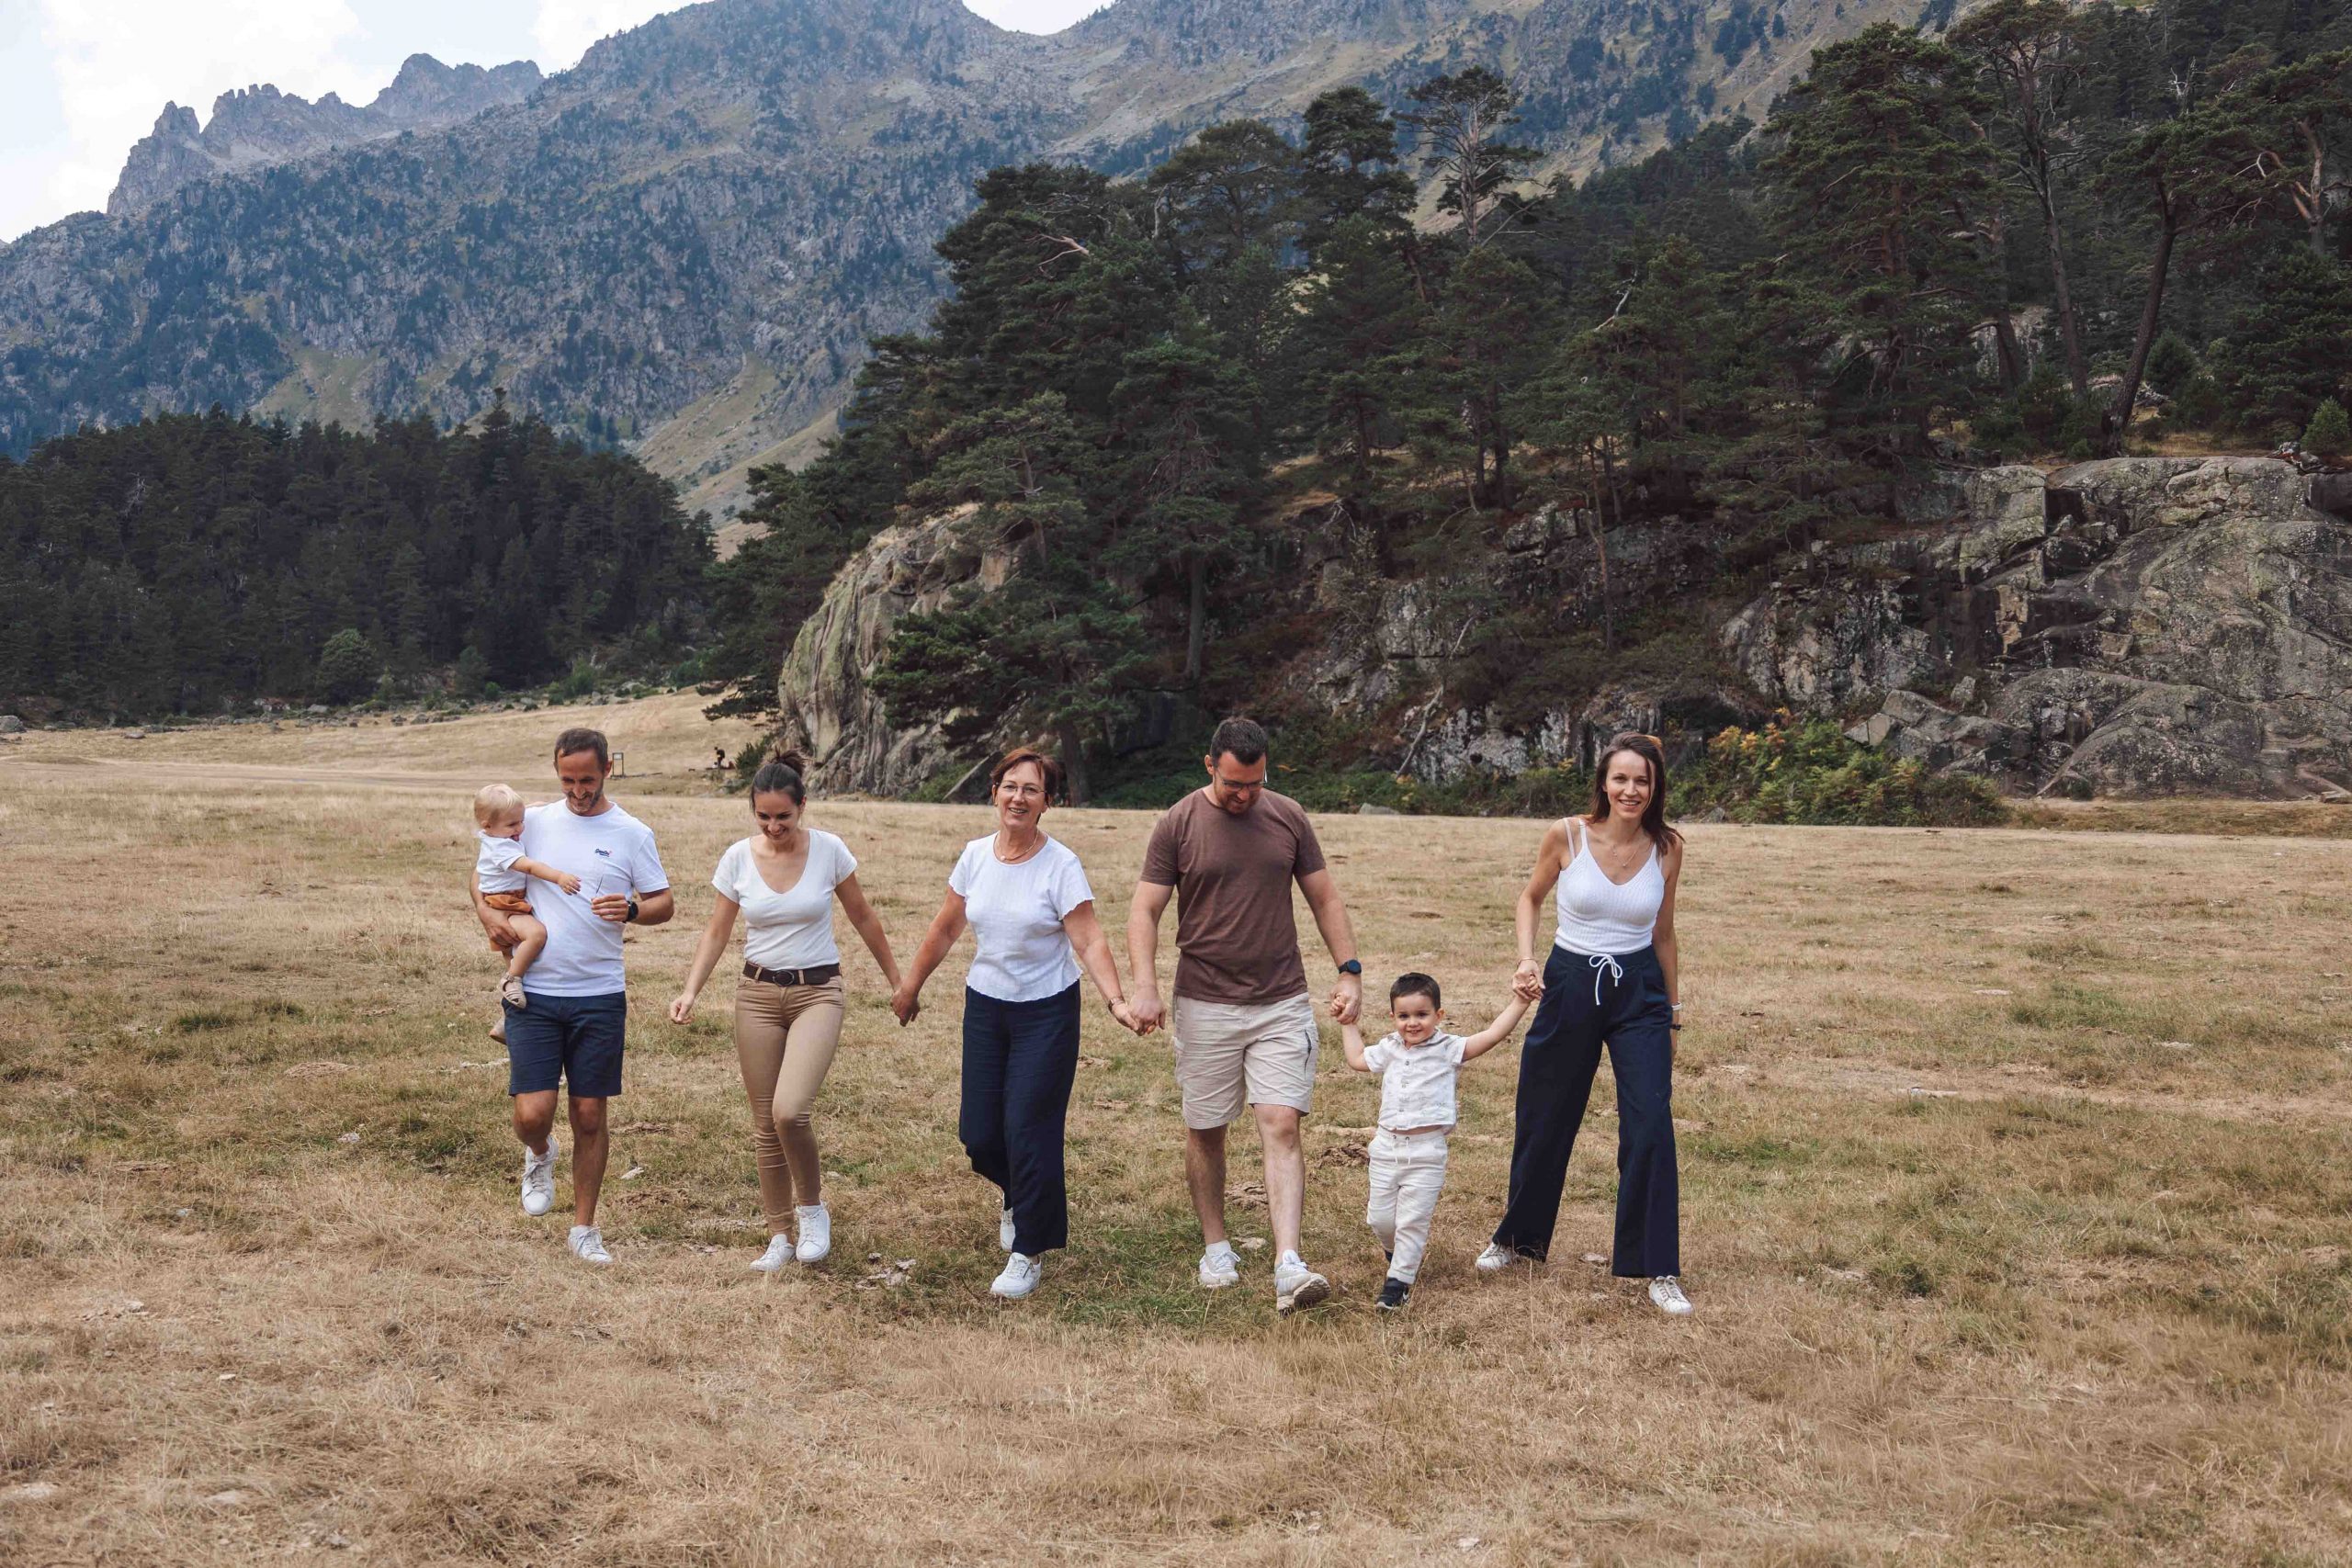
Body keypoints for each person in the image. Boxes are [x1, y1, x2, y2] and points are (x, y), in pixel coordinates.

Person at [1127, 716, 1363, 1317]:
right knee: (1207, 1127)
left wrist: (1349, 969)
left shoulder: (1287, 816)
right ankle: (1216, 1245)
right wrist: (1145, 986)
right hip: (1204, 1001)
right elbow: (1145, 909)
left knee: (1281, 1120)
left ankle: (1289, 1261)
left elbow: (1324, 896)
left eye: (1255, 783)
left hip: (1280, 997)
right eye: (1234, 783)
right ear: (1210, 765)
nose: (1244, 795)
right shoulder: (1178, 822)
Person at [893, 748, 1140, 1302]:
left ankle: (1028, 1249)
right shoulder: (976, 857)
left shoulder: (1060, 864)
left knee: (1030, 1128)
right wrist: (911, 986)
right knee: (980, 1134)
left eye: (1031, 789)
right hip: (987, 1007)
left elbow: (1089, 938)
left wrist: (1116, 1001)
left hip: (1047, 1011)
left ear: (1047, 802)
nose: (1018, 797)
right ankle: (1018, 1195)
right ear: (994, 793)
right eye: (1010, 786)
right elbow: (946, 926)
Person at [1480, 731, 1690, 1315]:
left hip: (1640, 992)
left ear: (1655, 788)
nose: (1631, 790)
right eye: (1621, 778)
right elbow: (1529, 898)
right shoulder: (1567, 834)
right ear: (1603, 782)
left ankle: (1659, 1267)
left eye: (1642, 781)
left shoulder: (1669, 847)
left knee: (1650, 1124)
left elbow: (1665, 934)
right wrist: (1527, 958)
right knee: (1545, 1114)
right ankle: (1516, 1239)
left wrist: (1672, 1013)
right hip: (1570, 981)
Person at [668, 751, 902, 1271]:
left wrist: (897, 981)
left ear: (801, 808)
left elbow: (862, 915)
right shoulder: (736, 858)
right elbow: (717, 931)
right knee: (763, 1123)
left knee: (789, 1110)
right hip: (755, 995)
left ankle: (813, 1210)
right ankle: (778, 1235)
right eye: (763, 817)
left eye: (783, 817)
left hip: (818, 992)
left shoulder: (830, 851)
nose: (773, 826)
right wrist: (691, 990)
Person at [470, 728, 673, 1266]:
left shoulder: (632, 832)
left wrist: (630, 910)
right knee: (534, 1113)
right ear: (556, 773)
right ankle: (539, 1153)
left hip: (599, 993)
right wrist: (490, 916)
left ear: (608, 769)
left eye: (587, 779)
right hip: (534, 993)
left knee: (589, 1113)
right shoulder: (529, 821)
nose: (578, 790)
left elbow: (664, 903)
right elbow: (481, 874)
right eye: (567, 780)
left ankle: (585, 1228)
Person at [1340, 972, 1530, 1312]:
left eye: (1422, 1014)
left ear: (1438, 1015)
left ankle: (1398, 1284)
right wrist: (1347, 1023)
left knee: (1412, 1220)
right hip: (1386, 1147)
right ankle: (1397, 1253)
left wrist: (1520, 1002)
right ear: (1393, 1017)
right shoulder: (1389, 1049)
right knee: (1380, 1220)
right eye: (1404, 1016)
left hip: (1427, 1151)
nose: (1413, 1023)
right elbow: (1356, 1060)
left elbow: (1492, 1035)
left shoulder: (1448, 1048)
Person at [470, 783, 582, 1043]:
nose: (520, 829)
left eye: (521, 821)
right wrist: (559, 877)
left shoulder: (495, 834)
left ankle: (507, 1020)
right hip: (505, 904)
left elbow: (520, 814)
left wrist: (539, 808)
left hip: (506, 900)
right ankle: (511, 980)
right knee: (536, 935)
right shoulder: (501, 847)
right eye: (512, 825)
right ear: (488, 825)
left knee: (516, 959)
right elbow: (529, 867)